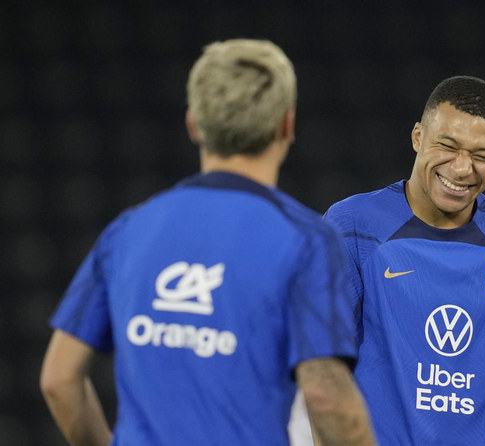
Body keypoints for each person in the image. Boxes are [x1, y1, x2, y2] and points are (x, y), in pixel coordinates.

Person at [40, 39, 377, 446]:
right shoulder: (307, 241)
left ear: (193, 124)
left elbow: (59, 379)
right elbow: (325, 395)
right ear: (286, 125)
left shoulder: (128, 231)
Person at [324, 76, 485, 445]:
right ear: (417, 137)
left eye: (482, 156)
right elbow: (327, 372)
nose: (462, 169)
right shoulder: (352, 225)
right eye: (448, 146)